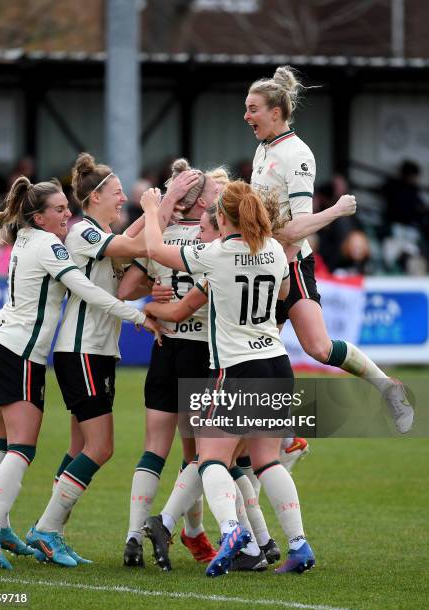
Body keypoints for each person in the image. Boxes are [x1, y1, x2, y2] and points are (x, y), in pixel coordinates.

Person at [0, 176, 161, 570]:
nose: (66, 215)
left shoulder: (25, 238)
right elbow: (86, 289)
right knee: (23, 447)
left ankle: (5, 526)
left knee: (6, 444)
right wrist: (138, 316)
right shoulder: (51, 244)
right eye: (58, 210)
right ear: (38, 217)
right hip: (21, 351)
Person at [140, 180, 315, 577]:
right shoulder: (272, 248)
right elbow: (285, 289)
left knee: (210, 460)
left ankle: (233, 531)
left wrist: (152, 209)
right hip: (276, 364)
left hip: (237, 369)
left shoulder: (215, 253)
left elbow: (153, 250)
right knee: (267, 461)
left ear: (221, 217)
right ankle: (300, 545)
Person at [26, 153, 183, 566]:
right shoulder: (82, 233)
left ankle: (50, 531)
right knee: (102, 447)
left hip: (92, 353)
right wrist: (158, 206)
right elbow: (138, 242)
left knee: (81, 446)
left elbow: (131, 239)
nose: (121, 201)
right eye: (116, 195)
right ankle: (45, 529)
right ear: (94, 197)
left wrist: (161, 206)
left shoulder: (97, 232)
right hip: (82, 352)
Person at [244, 65, 413, 433]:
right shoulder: (263, 150)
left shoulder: (297, 154)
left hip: (289, 265)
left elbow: (298, 227)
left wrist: (333, 212)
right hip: (262, 265)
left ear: (276, 112)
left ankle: (388, 389)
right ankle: (280, 442)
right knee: (253, 355)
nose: (246, 116)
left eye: (253, 108)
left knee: (318, 349)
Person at [118, 158, 219, 569]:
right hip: (199, 350)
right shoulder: (217, 240)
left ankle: (133, 537)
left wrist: (153, 297)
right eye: (213, 194)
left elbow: (125, 289)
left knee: (152, 450)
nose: (220, 198)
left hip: (164, 350)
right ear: (198, 205)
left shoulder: (160, 235)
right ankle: (177, 526)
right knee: (200, 454)